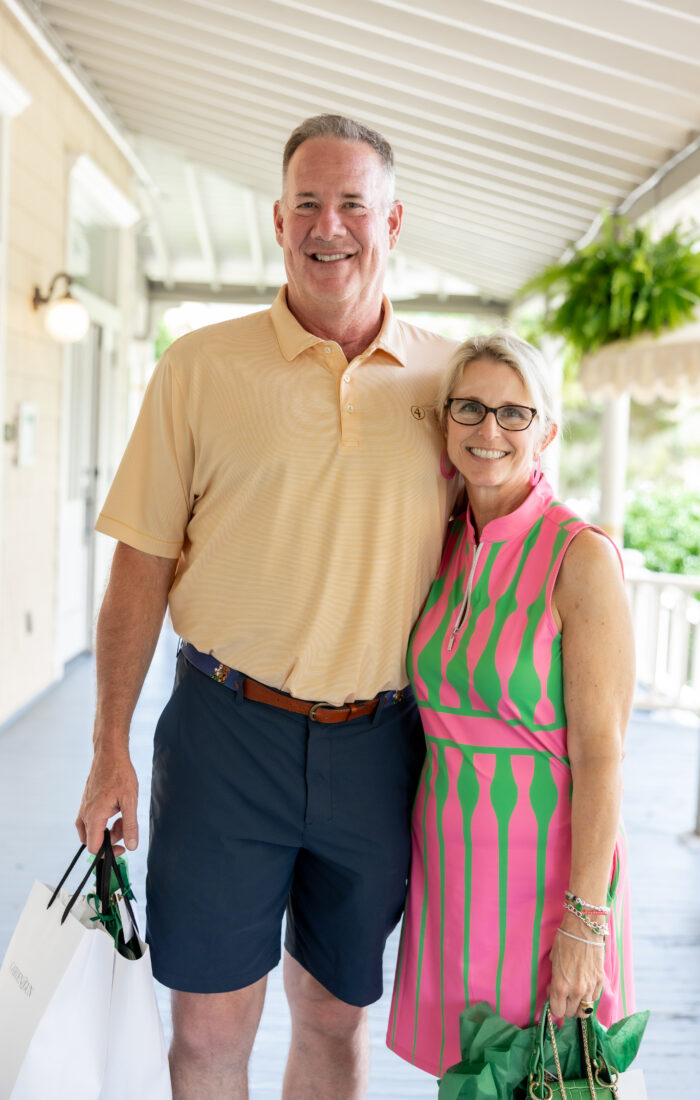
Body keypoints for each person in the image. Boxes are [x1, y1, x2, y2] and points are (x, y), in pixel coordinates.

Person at [75, 114, 456, 1100]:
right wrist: (108, 741)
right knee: (205, 1028)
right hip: (222, 734)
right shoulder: (198, 367)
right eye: (309, 204)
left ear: (394, 219)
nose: (331, 225)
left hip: (380, 742)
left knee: (333, 1021)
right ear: (278, 222)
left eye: (354, 204)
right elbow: (140, 565)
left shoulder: (451, 381)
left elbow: (510, 538)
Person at [387, 331, 635, 1078]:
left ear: (547, 430)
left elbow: (602, 753)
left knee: (546, 1076)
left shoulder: (579, 556)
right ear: (444, 421)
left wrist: (585, 922)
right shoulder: (440, 544)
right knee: (465, 1077)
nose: (487, 430)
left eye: (512, 412)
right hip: (450, 866)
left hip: (547, 876)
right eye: (468, 408)